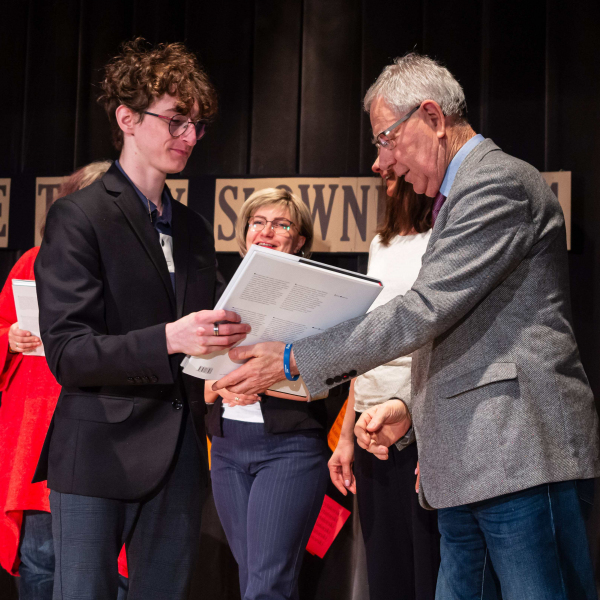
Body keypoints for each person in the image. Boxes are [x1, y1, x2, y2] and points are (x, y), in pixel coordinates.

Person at [215, 53, 600, 599]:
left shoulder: (497, 183)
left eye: (387, 139)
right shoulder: (457, 197)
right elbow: (461, 335)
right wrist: (412, 413)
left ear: (433, 117)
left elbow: (424, 310)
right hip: (468, 461)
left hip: (520, 453)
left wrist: (292, 357)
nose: (382, 162)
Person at [32, 38, 250, 600]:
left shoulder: (194, 228)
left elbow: (210, 335)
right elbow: (69, 353)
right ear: (127, 118)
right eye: (176, 120)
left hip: (179, 457)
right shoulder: (79, 216)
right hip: (98, 454)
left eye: (197, 125)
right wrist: (171, 339)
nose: (189, 137)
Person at [205, 187, 345, 600]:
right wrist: (219, 387)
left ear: (299, 240)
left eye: (282, 225)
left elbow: (335, 377)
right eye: (258, 222)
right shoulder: (218, 292)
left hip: (289, 449)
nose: (267, 231)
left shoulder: (320, 299)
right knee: (253, 579)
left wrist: (265, 379)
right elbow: (199, 378)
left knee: (267, 584)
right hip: (226, 449)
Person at [0, 161, 110, 600]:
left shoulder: (137, 267)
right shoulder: (32, 261)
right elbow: (2, 324)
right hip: (36, 429)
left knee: (104, 567)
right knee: (41, 561)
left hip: (103, 430)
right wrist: (9, 338)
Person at [328, 172, 440, 600]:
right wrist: (345, 438)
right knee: (385, 571)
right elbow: (365, 344)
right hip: (369, 427)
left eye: (390, 152)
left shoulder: (441, 238)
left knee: (427, 568)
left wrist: (435, 435)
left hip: (420, 418)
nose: (379, 166)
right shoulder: (381, 243)